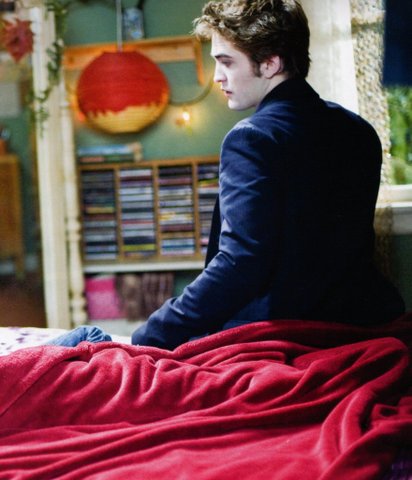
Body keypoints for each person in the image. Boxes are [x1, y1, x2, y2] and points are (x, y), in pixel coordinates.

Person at [50, 0, 404, 351]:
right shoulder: (359, 130)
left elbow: (240, 264)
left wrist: (149, 336)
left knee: (82, 343)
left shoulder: (251, 138)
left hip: (279, 334)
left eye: (227, 62)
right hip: (360, 322)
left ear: (271, 63)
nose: (217, 76)